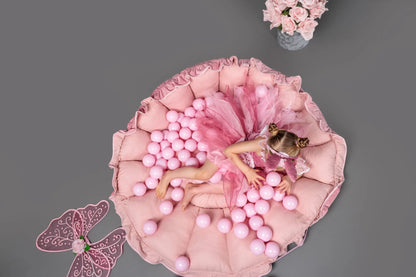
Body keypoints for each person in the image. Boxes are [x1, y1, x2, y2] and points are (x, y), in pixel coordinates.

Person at [155, 85, 310, 209]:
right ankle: (169, 175)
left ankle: (194, 190)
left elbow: (300, 169)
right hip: (230, 144)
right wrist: (248, 171)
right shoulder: (262, 144)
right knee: (205, 175)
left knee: (238, 188)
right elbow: (229, 151)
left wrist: (289, 181)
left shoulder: (291, 155)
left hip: (250, 162)